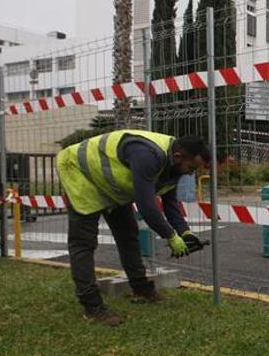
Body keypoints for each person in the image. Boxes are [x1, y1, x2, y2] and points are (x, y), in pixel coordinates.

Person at [55, 130, 211, 326]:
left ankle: (142, 289)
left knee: (128, 235)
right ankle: (92, 306)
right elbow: (146, 206)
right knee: (83, 243)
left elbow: (171, 204)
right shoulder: (147, 156)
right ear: (179, 156)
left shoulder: (175, 164)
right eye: (191, 167)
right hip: (80, 173)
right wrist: (170, 236)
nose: (191, 172)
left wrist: (185, 232)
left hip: (111, 186)